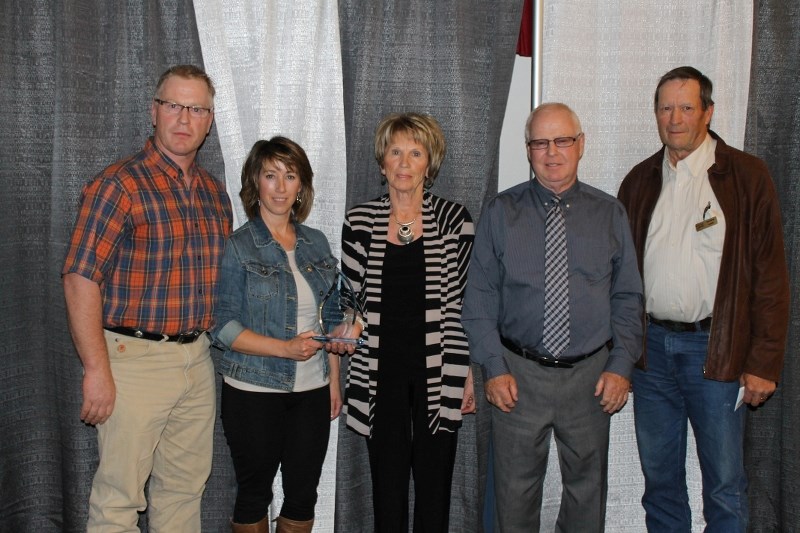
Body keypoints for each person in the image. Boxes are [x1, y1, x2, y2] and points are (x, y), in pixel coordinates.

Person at [617, 66, 790, 532]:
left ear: (708, 112)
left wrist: (764, 362)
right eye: (666, 108)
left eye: (686, 107)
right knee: (661, 485)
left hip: (717, 352)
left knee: (724, 486)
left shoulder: (746, 177)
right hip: (650, 358)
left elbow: (771, 278)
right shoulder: (638, 182)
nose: (675, 118)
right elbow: (620, 279)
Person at [62, 64, 232, 531]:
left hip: (197, 361)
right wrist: (97, 369)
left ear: (209, 120)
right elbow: (80, 278)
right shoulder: (118, 185)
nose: (184, 118)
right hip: (131, 359)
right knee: (119, 499)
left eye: (197, 108)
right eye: (173, 105)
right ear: (153, 112)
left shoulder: (215, 194)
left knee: (183, 492)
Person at [462, 102, 643, 532]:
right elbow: (480, 299)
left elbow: (629, 298)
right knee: (514, 497)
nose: (552, 151)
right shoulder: (500, 213)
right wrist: (493, 368)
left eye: (563, 140)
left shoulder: (610, 213)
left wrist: (621, 367)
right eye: (540, 142)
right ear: (528, 150)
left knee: (587, 496)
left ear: (581, 145)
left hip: (592, 377)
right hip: (518, 375)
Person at [212, 137, 359, 533]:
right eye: (270, 175)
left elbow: (329, 319)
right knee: (254, 493)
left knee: (302, 495)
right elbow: (222, 326)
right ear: (254, 183)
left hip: (312, 392)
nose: (280, 186)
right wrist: (284, 349)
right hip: (252, 391)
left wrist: (333, 379)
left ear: (301, 187)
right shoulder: (238, 245)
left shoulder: (317, 243)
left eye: (289, 176)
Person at [339, 112, 475, 532]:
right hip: (380, 371)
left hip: (440, 367)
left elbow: (462, 304)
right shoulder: (358, 222)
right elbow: (350, 299)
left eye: (415, 152)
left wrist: (468, 372)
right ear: (382, 163)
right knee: (388, 491)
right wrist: (350, 325)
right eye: (395, 151)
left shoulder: (456, 220)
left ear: (429, 164)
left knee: (435, 492)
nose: (403, 162)